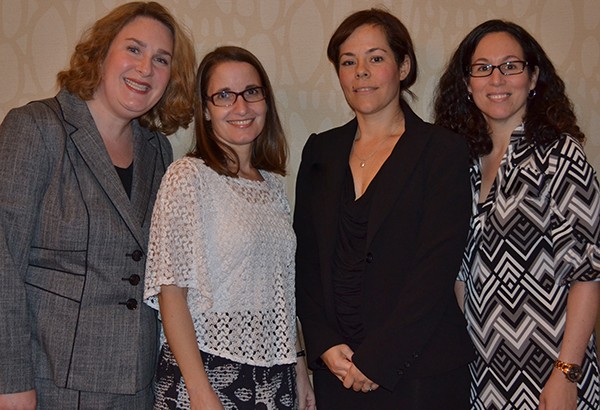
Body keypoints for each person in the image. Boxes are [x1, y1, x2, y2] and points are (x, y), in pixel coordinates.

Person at [0, 2, 196, 409]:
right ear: (102, 52)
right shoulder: (36, 128)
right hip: (49, 382)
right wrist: (10, 381)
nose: (145, 68)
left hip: (138, 384)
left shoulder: (158, 151)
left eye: (161, 59)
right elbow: (3, 262)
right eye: (134, 49)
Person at [294, 8, 474, 409]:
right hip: (338, 371)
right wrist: (323, 344)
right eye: (348, 62)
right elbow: (305, 262)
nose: (361, 71)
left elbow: (436, 267)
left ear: (403, 66)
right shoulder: (320, 151)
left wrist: (379, 358)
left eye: (375, 58)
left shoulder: (442, 150)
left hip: (421, 373)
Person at [434, 19, 600, 410]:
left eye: (510, 66)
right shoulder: (461, 163)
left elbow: (587, 275)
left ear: (533, 77)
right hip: (482, 373)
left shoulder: (559, 156)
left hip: (550, 371)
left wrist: (566, 373)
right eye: (483, 68)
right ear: (467, 82)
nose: (497, 79)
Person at [143, 45, 315, 410]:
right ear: (205, 109)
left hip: (276, 374)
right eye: (224, 95)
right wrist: (200, 391)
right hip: (207, 369)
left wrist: (300, 368)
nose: (241, 107)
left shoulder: (272, 185)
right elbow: (170, 293)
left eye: (251, 92)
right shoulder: (187, 177)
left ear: (265, 101)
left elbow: (283, 295)